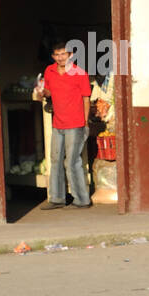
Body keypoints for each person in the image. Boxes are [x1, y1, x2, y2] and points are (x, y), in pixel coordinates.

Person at [40, 39, 92, 209]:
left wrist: (85, 123)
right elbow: (48, 91)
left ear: (70, 55)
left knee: (72, 162)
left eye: (64, 54)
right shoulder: (49, 71)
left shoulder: (79, 73)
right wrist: (42, 92)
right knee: (55, 160)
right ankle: (56, 199)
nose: (60, 57)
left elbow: (86, 99)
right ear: (53, 56)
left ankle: (82, 199)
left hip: (75, 124)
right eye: (57, 54)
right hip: (58, 123)